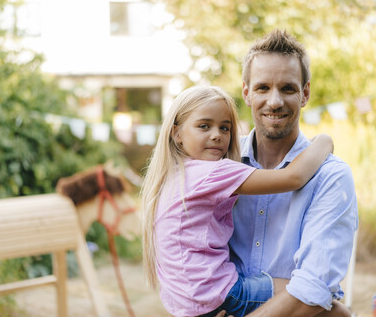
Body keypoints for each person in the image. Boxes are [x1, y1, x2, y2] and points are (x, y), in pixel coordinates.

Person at [141, 85, 335, 317]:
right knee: (321, 300)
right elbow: (293, 177)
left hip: (185, 303)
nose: (217, 135)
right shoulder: (212, 172)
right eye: (204, 126)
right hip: (219, 294)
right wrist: (324, 141)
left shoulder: (173, 175)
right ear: (177, 133)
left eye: (225, 128)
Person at [228, 29, 358, 317]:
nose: (274, 102)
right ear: (247, 92)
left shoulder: (330, 177)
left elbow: (311, 292)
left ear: (305, 93)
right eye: (263, 87)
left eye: (287, 88)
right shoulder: (220, 164)